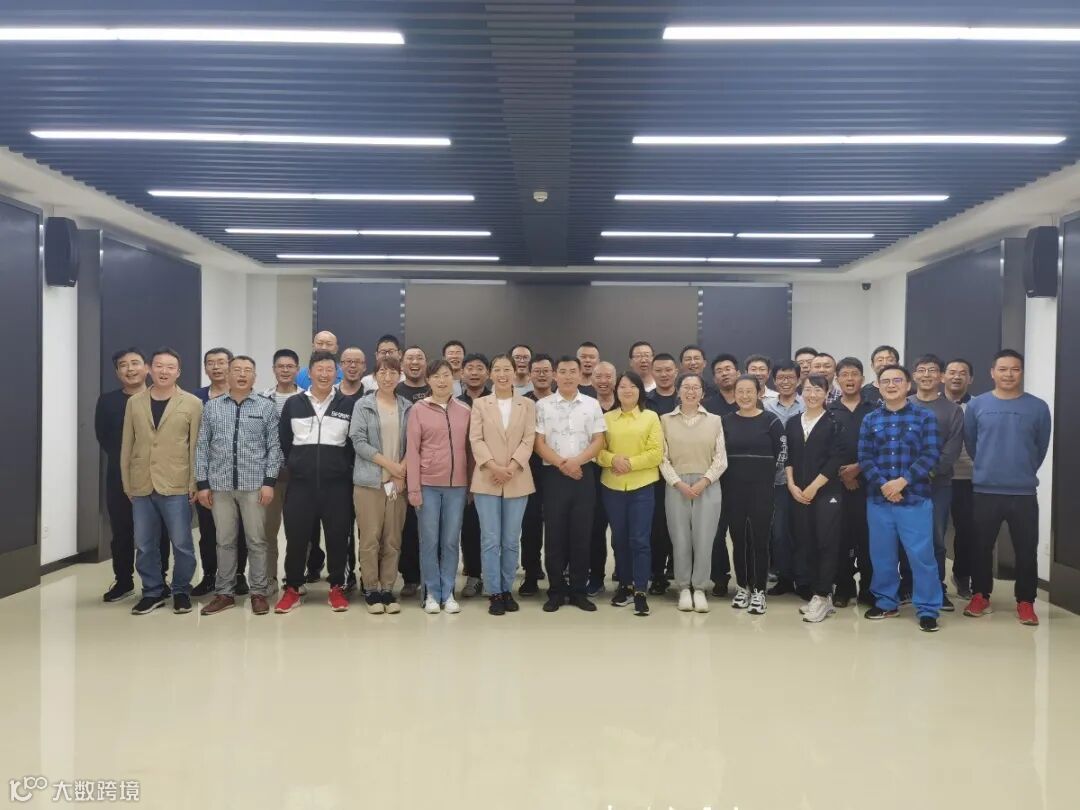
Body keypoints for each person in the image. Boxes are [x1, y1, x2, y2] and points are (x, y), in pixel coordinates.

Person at [963, 349, 1052, 626]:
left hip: (1023, 492)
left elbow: (1040, 447)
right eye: (1003, 369)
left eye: (1015, 369)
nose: (1009, 374)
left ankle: (1026, 601)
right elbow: (971, 443)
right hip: (985, 490)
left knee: (1026, 549)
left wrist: (1021, 470)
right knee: (980, 547)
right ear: (992, 373)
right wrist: (989, 467)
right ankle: (980, 595)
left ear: (1021, 372)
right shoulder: (977, 406)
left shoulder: (1038, 407)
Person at [195, 356, 282, 616]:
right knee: (224, 541)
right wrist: (202, 483)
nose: (242, 374)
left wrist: (269, 482)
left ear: (255, 376)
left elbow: (274, 447)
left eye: (247, 370)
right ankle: (225, 593)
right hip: (219, 485)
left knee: (256, 541)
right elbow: (202, 446)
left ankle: (258, 592)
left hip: (254, 486)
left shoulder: (266, 407)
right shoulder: (212, 407)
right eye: (237, 370)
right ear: (228, 374)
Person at [857, 364, 942, 632]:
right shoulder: (870, 419)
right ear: (879, 386)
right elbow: (865, 457)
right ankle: (886, 602)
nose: (891, 385)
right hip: (879, 499)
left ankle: (927, 608)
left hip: (914, 498)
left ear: (908, 385)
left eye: (897, 380)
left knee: (921, 556)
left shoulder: (924, 417)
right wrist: (885, 485)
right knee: (881, 555)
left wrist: (902, 482)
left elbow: (930, 454)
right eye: (886, 381)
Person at [121, 348, 202, 616]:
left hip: (177, 482)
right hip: (141, 483)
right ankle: (152, 592)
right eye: (158, 366)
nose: (164, 371)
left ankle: (181, 591)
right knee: (144, 544)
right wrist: (127, 482)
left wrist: (194, 482)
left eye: (170, 367)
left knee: (182, 544)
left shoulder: (192, 403)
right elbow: (127, 445)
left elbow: (195, 446)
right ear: (149, 369)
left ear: (178, 372)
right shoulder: (135, 403)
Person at [274, 351, 356, 614]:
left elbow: (352, 444)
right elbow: (285, 441)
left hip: (337, 486)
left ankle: (337, 586)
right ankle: (293, 587)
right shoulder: (294, 404)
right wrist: (299, 464)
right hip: (301, 485)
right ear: (309, 373)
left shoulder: (347, 404)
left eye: (329, 369)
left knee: (338, 537)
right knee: (296, 537)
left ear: (336, 374)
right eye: (319, 369)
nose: (324, 374)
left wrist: (340, 468)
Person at [96, 348, 170, 602]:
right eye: (123, 365)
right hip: (120, 476)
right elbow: (104, 437)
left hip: (157, 475)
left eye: (135, 363)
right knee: (122, 530)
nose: (130, 369)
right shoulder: (107, 401)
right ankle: (123, 580)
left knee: (159, 531)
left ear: (147, 368)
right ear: (117, 372)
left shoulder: (160, 397)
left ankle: (160, 579)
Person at [534, 356, 606, 612]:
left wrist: (577, 462)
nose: (567, 376)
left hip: (584, 473)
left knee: (581, 534)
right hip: (554, 475)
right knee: (554, 535)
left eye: (572, 371)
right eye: (562, 371)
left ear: (580, 375)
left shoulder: (592, 404)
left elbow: (599, 440)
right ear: (555, 375)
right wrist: (563, 465)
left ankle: (578, 591)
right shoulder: (543, 405)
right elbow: (538, 443)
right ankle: (555, 591)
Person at [470, 354, 537, 616]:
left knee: (510, 539)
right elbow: (475, 439)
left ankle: (507, 589)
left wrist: (511, 467)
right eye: (497, 369)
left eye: (506, 369)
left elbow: (529, 439)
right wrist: (494, 467)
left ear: (514, 372)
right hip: (487, 478)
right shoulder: (480, 404)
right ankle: (494, 591)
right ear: (490, 374)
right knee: (490, 539)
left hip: (517, 478)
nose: (502, 374)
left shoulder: (527, 404)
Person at [407, 359, 473, 614]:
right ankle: (431, 593)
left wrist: (470, 486)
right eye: (436, 376)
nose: (442, 380)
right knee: (429, 541)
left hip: (457, 486)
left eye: (446, 375)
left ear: (453, 378)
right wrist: (414, 488)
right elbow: (413, 450)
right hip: (428, 485)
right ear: (428, 381)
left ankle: (449, 592)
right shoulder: (418, 410)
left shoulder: (464, 410)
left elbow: (470, 451)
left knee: (450, 541)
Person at [660, 372, 727, 613]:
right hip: (676, 485)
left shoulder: (715, 420)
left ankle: (699, 587)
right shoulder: (665, 420)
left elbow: (721, 458)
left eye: (695, 387)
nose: (690, 391)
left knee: (704, 539)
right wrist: (677, 482)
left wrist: (704, 481)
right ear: (678, 391)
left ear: (702, 392)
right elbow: (662, 457)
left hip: (707, 485)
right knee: (680, 539)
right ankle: (683, 588)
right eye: (686, 387)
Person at [597, 371, 663, 617]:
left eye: (632, 386)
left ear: (640, 391)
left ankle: (640, 590)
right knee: (619, 539)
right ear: (616, 391)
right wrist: (612, 459)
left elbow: (656, 453)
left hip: (642, 486)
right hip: (612, 487)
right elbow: (597, 451)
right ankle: (624, 585)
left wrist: (629, 464)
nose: (627, 390)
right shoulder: (606, 418)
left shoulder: (650, 417)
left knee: (640, 539)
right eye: (622, 386)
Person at [349, 357, 412, 615]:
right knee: (370, 538)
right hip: (369, 483)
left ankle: (387, 588)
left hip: (397, 483)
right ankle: (371, 589)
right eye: (383, 372)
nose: (388, 377)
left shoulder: (407, 406)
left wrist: (401, 471)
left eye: (393, 372)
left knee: (393, 539)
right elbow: (358, 441)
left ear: (400, 376)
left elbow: (415, 443)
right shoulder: (363, 405)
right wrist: (390, 465)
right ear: (375, 376)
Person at [905, 354, 964, 611]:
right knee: (906, 537)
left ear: (941, 376)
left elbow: (952, 450)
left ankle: (937, 587)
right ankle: (908, 585)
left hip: (937, 485)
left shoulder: (952, 411)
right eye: (921, 370)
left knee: (935, 538)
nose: (926, 375)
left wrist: (924, 473)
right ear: (913, 376)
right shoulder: (903, 404)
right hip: (903, 485)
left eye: (932, 370)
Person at [785, 375, 846, 623]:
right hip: (798, 493)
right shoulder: (792, 422)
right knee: (806, 542)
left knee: (826, 543)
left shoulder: (834, 422)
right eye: (808, 389)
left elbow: (836, 459)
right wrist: (791, 485)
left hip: (826, 493)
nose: (812, 394)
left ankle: (823, 594)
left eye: (818, 390)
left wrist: (813, 487)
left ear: (827, 392)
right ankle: (818, 595)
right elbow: (788, 456)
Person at [722, 376, 784, 615]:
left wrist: (765, 475)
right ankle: (742, 587)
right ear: (734, 394)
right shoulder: (726, 421)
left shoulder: (771, 421)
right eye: (740, 391)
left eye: (750, 391)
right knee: (738, 539)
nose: (745, 396)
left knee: (760, 540)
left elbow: (782, 453)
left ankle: (759, 590)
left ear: (759, 393)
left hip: (762, 490)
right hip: (733, 489)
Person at [192, 347, 247, 598]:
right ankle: (209, 575)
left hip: (240, 475)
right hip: (208, 476)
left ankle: (238, 575)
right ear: (205, 368)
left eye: (221, 362)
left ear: (231, 366)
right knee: (208, 530)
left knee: (240, 529)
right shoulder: (195, 399)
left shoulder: (243, 396)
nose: (216, 367)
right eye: (210, 363)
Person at [829, 357, 876, 607]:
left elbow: (881, 446)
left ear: (862, 379)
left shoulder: (874, 410)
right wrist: (843, 474)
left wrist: (858, 469)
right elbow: (825, 449)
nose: (850, 379)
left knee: (867, 538)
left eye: (854, 374)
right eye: (844, 374)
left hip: (869, 484)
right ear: (837, 380)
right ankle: (843, 587)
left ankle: (868, 588)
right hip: (837, 486)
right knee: (841, 538)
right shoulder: (829, 411)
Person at [260, 348, 304, 594]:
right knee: (269, 530)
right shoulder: (262, 399)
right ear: (274, 369)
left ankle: (295, 579)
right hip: (270, 477)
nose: (285, 370)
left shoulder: (307, 398)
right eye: (281, 366)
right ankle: (269, 578)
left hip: (299, 476)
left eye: (290, 366)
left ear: (297, 369)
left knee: (298, 530)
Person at [763, 360, 805, 598]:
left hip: (804, 479)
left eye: (790, 377)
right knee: (779, 533)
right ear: (774, 380)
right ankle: (785, 577)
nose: (785, 382)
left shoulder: (808, 402)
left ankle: (805, 579)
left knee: (803, 530)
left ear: (798, 380)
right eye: (781, 378)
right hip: (776, 480)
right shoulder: (765, 407)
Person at [395, 346, 431, 597]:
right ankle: (410, 577)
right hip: (401, 469)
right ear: (402, 364)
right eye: (410, 358)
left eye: (419, 358)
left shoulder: (435, 388)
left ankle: (432, 577)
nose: (415, 362)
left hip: (431, 470)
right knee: (406, 527)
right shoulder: (395, 390)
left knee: (431, 527)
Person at [519, 353, 555, 596]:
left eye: (546, 371)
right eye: (537, 371)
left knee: (556, 524)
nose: (542, 375)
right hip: (527, 471)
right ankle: (531, 574)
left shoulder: (560, 401)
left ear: (553, 374)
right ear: (529, 374)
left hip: (556, 471)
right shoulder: (522, 402)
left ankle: (557, 574)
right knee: (530, 524)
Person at [457, 353, 492, 597]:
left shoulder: (496, 401)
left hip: (492, 472)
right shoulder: (455, 403)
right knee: (469, 528)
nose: (474, 372)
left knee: (492, 529)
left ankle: (492, 576)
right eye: (470, 368)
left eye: (480, 368)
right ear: (461, 373)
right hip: (463, 474)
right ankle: (473, 575)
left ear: (488, 373)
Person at [704, 353, 739, 595]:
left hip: (743, 479)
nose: (724, 373)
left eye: (728, 369)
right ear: (714, 378)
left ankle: (746, 578)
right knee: (715, 533)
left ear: (738, 372)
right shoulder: (708, 406)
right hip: (715, 479)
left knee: (742, 533)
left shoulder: (749, 401)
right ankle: (719, 577)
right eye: (719, 370)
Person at [645, 353, 679, 593]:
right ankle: (657, 574)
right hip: (654, 474)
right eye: (659, 370)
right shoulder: (646, 401)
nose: (664, 374)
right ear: (652, 373)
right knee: (657, 526)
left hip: (683, 471)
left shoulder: (686, 397)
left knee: (681, 525)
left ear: (676, 371)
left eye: (668, 370)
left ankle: (679, 571)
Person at [943, 357, 976, 599]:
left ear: (970, 379)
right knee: (933, 531)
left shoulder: (978, 405)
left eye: (962, 373)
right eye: (952, 372)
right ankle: (933, 583)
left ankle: (962, 576)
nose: (956, 376)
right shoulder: (932, 403)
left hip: (968, 478)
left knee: (967, 531)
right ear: (942, 376)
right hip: (936, 478)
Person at [586, 360, 617, 594]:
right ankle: (596, 578)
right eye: (599, 376)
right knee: (595, 531)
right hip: (591, 479)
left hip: (620, 475)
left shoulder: (625, 403)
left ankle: (624, 576)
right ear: (591, 379)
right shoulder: (585, 405)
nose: (603, 381)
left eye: (608, 376)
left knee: (621, 531)